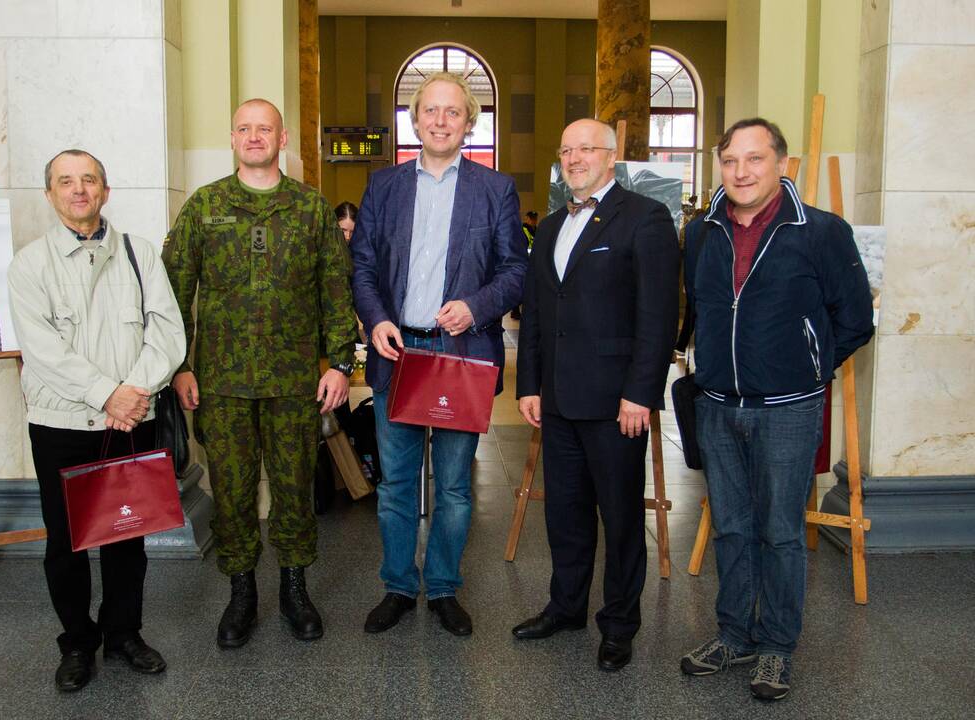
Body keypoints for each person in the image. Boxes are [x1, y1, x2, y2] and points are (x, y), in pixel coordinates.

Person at [679, 118, 873, 701]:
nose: (741, 171)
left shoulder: (821, 232)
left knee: (782, 532)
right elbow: (701, 309)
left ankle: (776, 648)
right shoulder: (699, 234)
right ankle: (734, 635)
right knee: (731, 527)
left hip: (789, 409)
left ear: (780, 164)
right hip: (716, 406)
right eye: (730, 160)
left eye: (755, 159)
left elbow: (856, 320)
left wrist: (807, 367)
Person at [163, 98, 356, 648]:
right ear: (231, 138)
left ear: (283, 138)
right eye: (244, 129)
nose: (254, 137)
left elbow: (335, 292)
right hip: (222, 385)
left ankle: (295, 587)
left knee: (295, 489)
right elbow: (174, 293)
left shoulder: (311, 209)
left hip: (295, 382)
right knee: (232, 490)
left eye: (264, 128)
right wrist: (178, 366)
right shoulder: (205, 206)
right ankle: (241, 591)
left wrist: (340, 363)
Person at [351, 72, 527, 637]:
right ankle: (399, 585)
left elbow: (515, 271)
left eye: (453, 112)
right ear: (415, 118)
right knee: (397, 482)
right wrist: (376, 318)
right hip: (397, 351)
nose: (441, 120)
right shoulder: (383, 187)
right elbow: (362, 268)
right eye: (431, 110)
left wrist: (475, 307)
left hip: (460, 355)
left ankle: (445, 587)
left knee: (453, 486)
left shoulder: (494, 188)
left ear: (469, 122)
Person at [8, 149, 186, 692]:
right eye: (66, 181)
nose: (78, 189)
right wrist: (108, 393)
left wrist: (134, 392)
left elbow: (167, 330)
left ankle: (124, 634)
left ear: (106, 191)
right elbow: (42, 350)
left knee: (127, 537)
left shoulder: (138, 255)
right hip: (62, 425)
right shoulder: (29, 266)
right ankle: (77, 643)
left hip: (133, 421)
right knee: (66, 543)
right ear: (50, 194)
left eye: (89, 180)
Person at [512, 119, 680, 672]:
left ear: (613, 156)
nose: (575, 157)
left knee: (623, 517)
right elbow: (537, 312)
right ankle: (565, 607)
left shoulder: (645, 218)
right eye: (566, 149)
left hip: (615, 405)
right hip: (557, 401)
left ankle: (619, 624)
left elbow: (658, 317)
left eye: (586, 148)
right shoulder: (555, 222)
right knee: (565, 515)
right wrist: (529, 384)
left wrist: (641, 394)